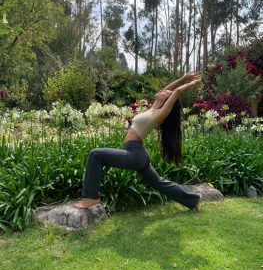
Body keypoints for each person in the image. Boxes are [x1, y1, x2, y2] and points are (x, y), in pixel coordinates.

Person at [74, 72, 202, 211]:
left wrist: (192, 83)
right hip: (138, 153)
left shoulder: (159, 115)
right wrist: (183, 78)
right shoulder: (154, 108)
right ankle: (192, 200)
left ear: (168, 100)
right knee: (159, 183)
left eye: (166, 93)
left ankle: (91, 197)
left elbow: (176, 92)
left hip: (135, 154)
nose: (163, 90)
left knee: (95, 154)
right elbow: (169, 91)